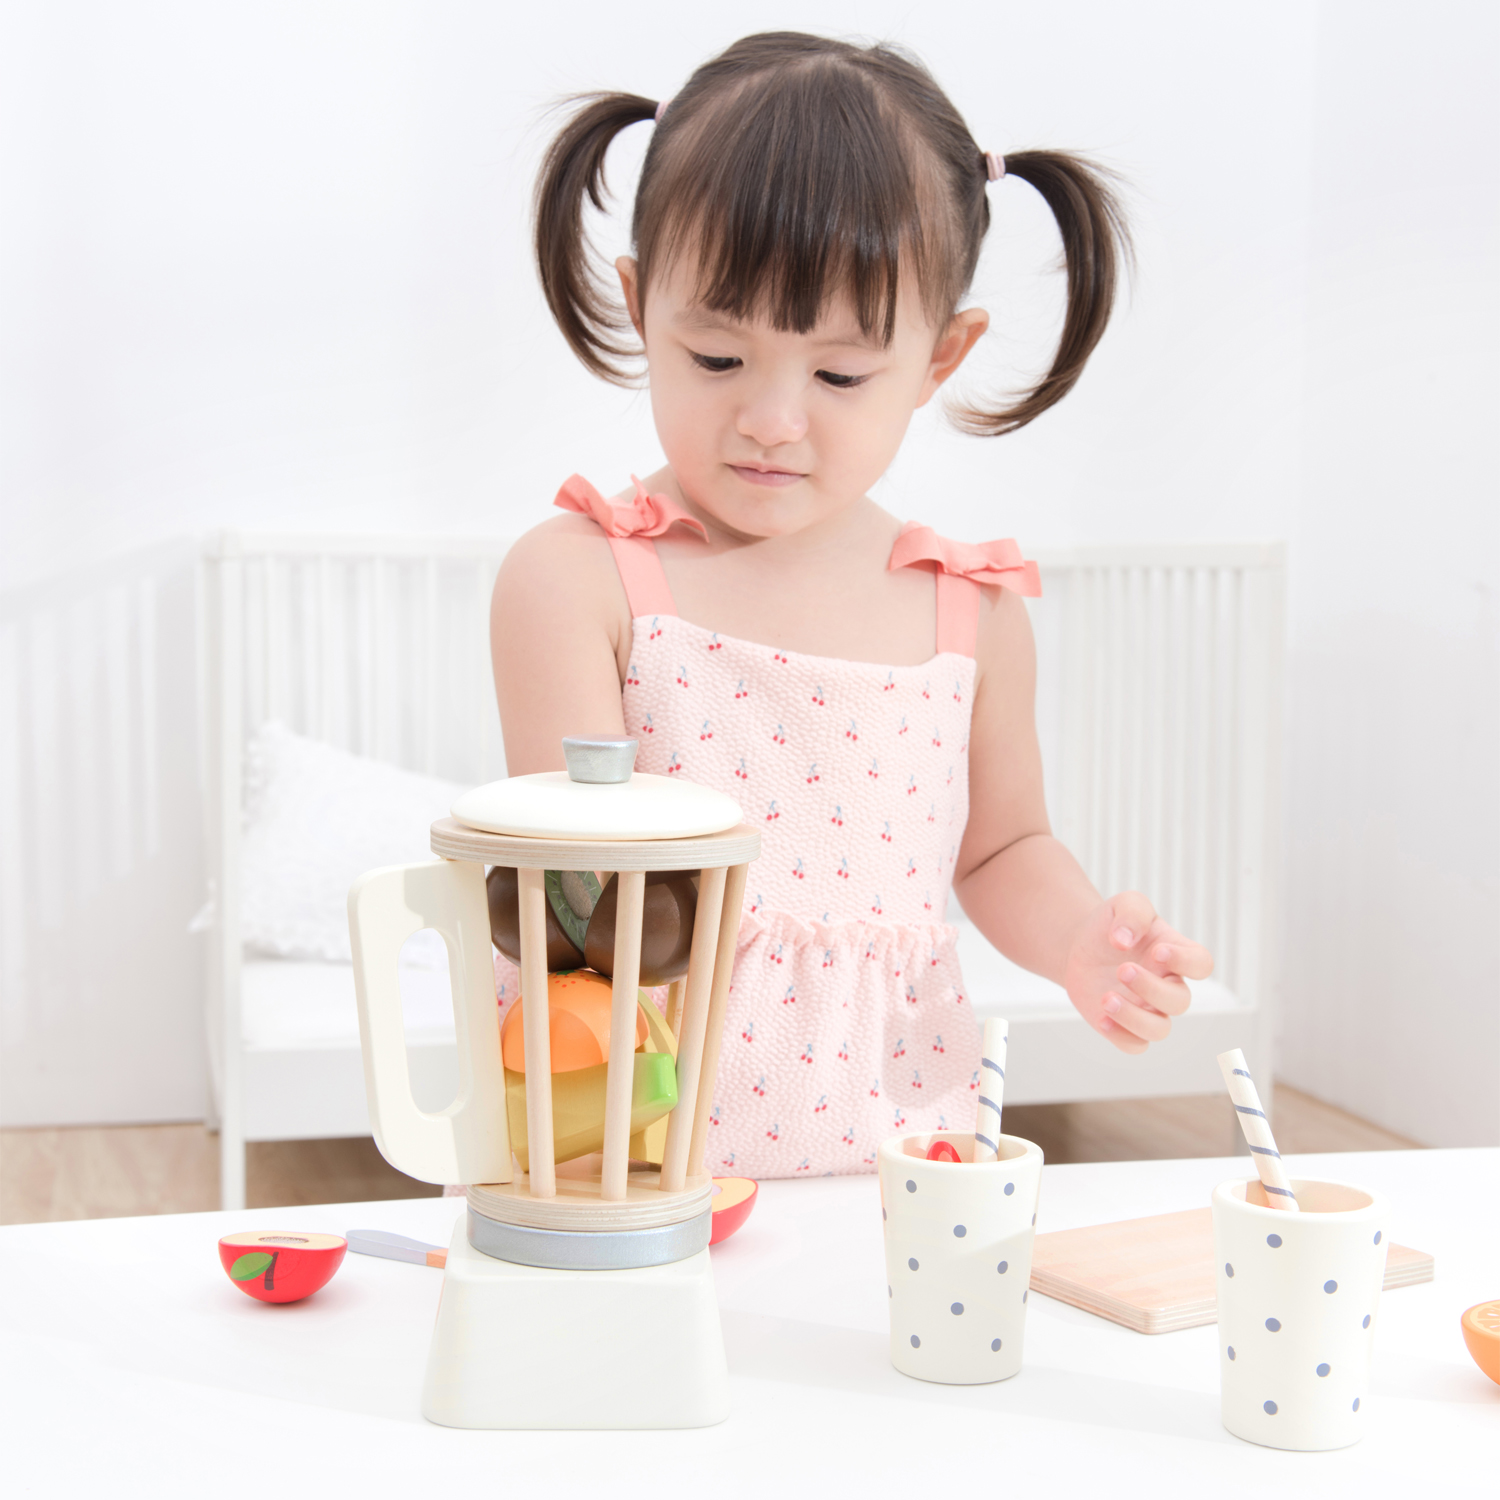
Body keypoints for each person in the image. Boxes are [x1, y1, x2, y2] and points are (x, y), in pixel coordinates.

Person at [490, 31, 1212, 1178]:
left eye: (838, 376)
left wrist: (1081, 939)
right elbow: (572, 889)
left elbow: (1004, 846)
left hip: (901, 1146)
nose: (773, 417)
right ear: (639, 308)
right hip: (621, 1146)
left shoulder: (968, 613)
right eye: (718, 357)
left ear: (940, 357)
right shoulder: (580, 577)